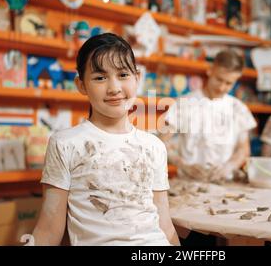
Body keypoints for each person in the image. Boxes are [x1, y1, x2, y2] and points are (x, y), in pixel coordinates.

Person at [32, 33, 179, 246]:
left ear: (137, 78)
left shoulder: (154, 146)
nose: (114, 88)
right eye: (100, 77)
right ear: (81, 84)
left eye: (123, 75)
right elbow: (48, 229)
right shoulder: (65, 143)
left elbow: (164, 225)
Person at [160, 49, 257, 182]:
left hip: (224, 183)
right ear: (210, 70)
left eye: (229, 83)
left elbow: (244, 150)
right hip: (188, 184)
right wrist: (184, 165)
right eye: (219, 79)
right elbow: (161, 142)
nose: (222, 87)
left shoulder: (239, 109)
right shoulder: (185, 103)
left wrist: (228, 167)